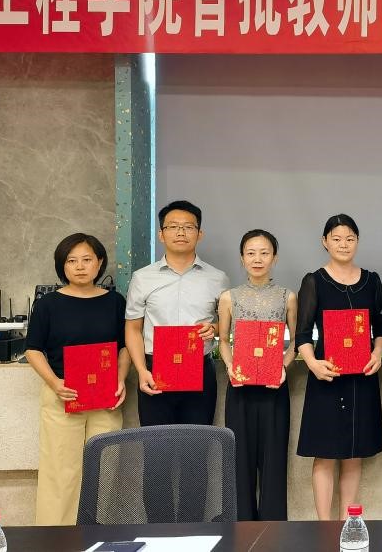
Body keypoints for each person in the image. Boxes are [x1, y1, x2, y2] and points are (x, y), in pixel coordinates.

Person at [123, 200, 229, 521]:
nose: (181, 232)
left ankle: (193, 527)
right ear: (161, 234)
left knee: (196, 453)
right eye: (173, 226)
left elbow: (225, 327)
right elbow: (132, 328)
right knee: (156, 453)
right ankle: (158, 529)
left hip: (199, 370)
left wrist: (215, 329)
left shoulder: (217, 278)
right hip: (155, 372)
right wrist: (141, 370)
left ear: (200, 233)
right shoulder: (143, 277)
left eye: (188, 227)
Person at [24, 232, 129, 525]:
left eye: (86, 259)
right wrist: (55, 383)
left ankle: (100, 535)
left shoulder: (115, 302)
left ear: (100, 263)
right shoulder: (48, 304)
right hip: (63, 396)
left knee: (106, 470)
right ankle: (56, 539)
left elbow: (124, 347)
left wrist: (120, 379)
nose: (80, 266)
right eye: (72, 261)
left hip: (105, 398)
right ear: (62, 265)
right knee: (61, 473)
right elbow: (33, 350)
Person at [295, 214, 382, 519]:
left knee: (353, 453)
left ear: (357, 241)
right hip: (326, 376)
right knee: (324, 454)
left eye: (350, 238)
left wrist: (378, 353)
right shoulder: (314, 281)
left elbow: (381, 328)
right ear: (325, 242)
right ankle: (324, 526)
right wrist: (313, 363)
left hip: (362, 376)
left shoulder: (372, 280)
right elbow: (302, 333)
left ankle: (349, 524)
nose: (343, 244)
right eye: (336, 239)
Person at [216, 229, 296, 521]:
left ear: (274, 258)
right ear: (242, 258)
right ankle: (242, 529)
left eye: (264, 253)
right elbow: (223, 341)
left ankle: (274, 530)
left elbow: (295, 341)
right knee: (239, 460)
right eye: (251, 253)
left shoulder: (287, 296)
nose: (257, 259)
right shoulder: (229, 297)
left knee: (274, 462)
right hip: (240, 388)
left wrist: (283, 367)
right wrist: (230, 367)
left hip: (275, 387)